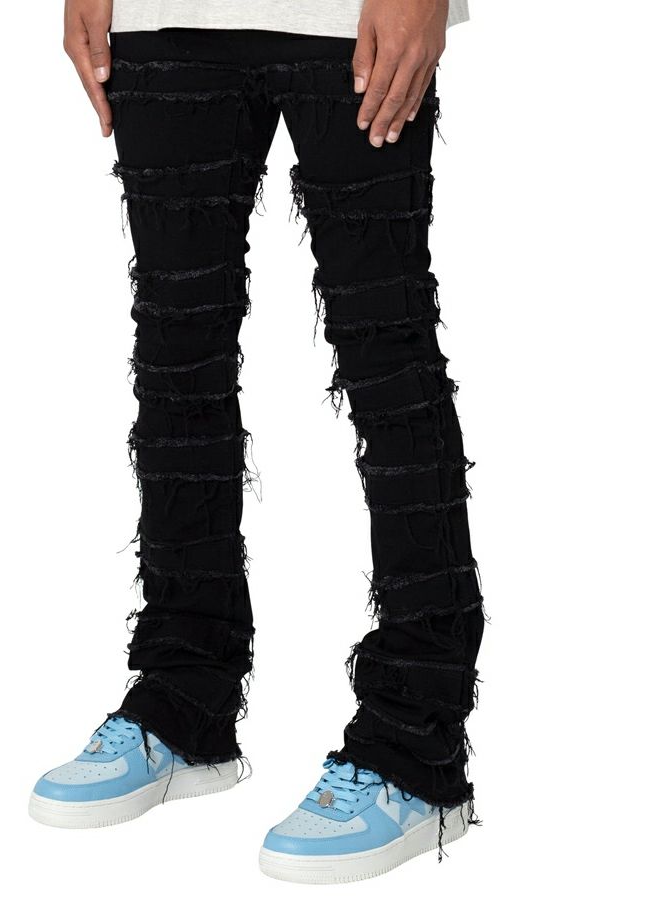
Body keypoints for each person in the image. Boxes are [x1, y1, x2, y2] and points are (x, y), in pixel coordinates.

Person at [30, 0, 485, 883]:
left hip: (348, 16)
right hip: (162, 16)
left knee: (386, 351)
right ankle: (183, 698)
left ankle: (418, 745)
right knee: (175, 348)